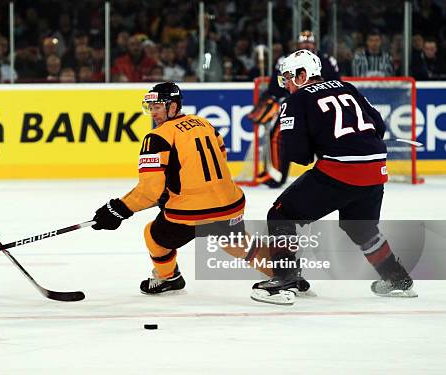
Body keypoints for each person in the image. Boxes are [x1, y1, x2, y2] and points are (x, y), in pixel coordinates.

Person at [250, 49, 417, 305]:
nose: (286, 84)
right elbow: (379, 126)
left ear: (303, 75)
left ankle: (284, 280)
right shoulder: (347, 87)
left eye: (288, 77)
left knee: (282, 214)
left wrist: (314, 143)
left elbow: (299, 155)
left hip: (341, 170)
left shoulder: (296, 100)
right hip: (376, 169)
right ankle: (398, 279)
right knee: (360, 227)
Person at [91, 82, 246, 294]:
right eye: (150, 107)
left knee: (153, 235)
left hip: (192, 211)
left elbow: (149, 191)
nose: (153, 113)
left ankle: (169, 277)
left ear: (173, 106)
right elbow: (220, 157)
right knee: (237, 246)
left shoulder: (157, 137)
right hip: (232, 204)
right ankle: (286, 274)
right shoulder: (203, 123)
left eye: (157, 107)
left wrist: (117, 210)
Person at [249, 31, 340, 188]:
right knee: (278, 135)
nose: (306, 45)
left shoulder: (326, 61)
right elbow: (276, 87)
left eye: (309, 42)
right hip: (294, 105)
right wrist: (273, 99)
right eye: (303, 43)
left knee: (324, 137)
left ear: (315, 44)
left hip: (320, 106)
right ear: (297, 45)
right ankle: (277, 175)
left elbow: (335, 83)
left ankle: (334, 172)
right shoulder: (286, 61)